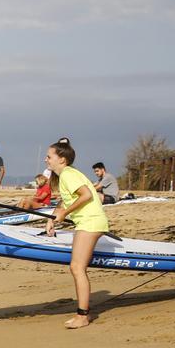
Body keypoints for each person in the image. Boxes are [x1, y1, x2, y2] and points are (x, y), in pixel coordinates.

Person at [44, 138, 109, 329]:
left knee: (77, 267)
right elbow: (65, 200)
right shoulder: (67, 175)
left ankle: (82, 316)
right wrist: (52, 218)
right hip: (88, 221)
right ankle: (82, 314)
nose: (46, 160)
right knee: (76, 267)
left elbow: (87, 195)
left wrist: (65, 213)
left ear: (61, 159)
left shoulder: (68, 175)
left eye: (49, 157)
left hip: (91, 222)